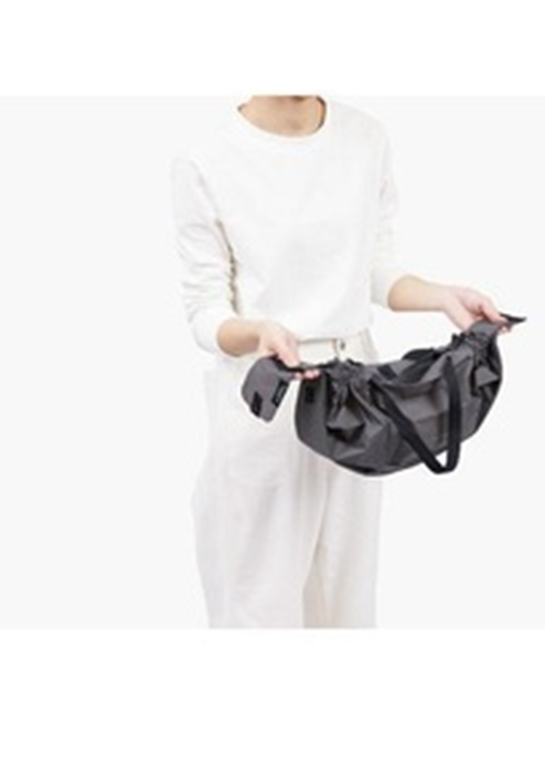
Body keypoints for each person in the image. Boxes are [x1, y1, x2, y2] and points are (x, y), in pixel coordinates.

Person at [170, 94, 512, 629]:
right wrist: (259, 331)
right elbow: (205, 310)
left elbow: (374, 268)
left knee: (345, 608)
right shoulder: (207, 158)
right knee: (258, 610)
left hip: (357, 406)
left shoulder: (365, 138)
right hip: (269, 404)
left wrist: (443, 297)